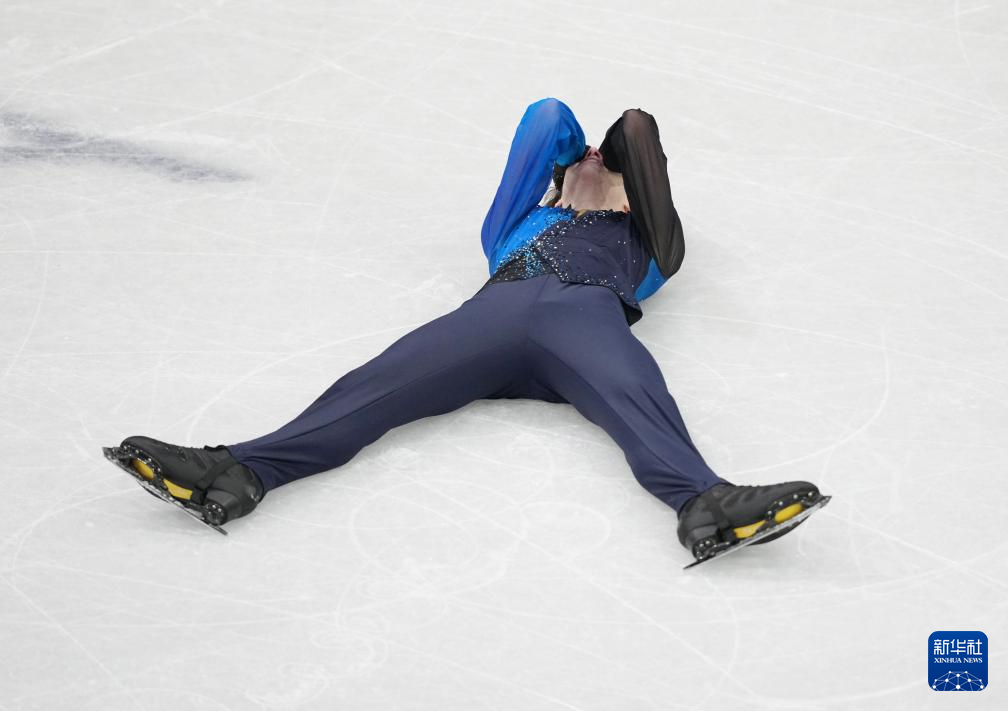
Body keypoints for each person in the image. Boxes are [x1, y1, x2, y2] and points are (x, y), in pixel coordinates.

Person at [105, 98, 828, 563]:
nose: (593, 157)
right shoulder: (512, 228)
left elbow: (637, 129)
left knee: (636, 393)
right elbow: (547, 119)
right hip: (491, 317)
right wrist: (571, 160)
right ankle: (239, 471)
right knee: (370, 388)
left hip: (586, 317)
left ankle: (704, 502)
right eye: (580, 159)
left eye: (608, 164)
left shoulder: (654, 241)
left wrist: (609, 165)